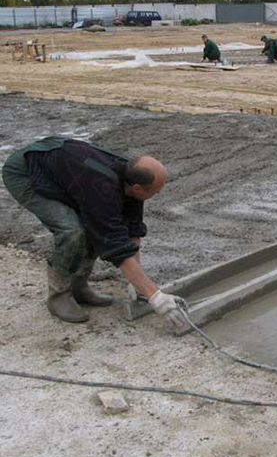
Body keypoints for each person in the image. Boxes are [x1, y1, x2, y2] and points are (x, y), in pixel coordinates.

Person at [2, 137, 188, 331]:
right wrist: (156, 297)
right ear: (137, 188)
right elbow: (115, 246)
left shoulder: (132, 176)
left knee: (93, 227)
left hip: (70, 171)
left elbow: (132, 231)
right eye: (156, 192)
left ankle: (79, 287)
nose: (157, 195)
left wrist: (138, 284)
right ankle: (58, 296)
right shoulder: (103, 189)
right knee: (72, 231)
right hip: (25, 172)